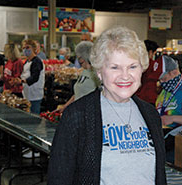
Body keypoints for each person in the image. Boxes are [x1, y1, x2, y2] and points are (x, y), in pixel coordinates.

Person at [48, 26, 167, 185]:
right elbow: (59, 177)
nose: (125, 76)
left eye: (132, 66)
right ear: (99, 72)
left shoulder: (150, 114)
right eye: (114, 67)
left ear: (142, 69)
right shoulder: (77, 115)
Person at [56, 41, 99, 113]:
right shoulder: (84, 71)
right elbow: (77, 93)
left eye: (80, 57)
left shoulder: (97, 74)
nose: (78, 60)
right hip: (78, 112)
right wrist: (65, 107)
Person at [15, 39, 45, 114]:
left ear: (34, 49)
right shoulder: (27, 62)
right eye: (23, 48)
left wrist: (21, 81)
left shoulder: (37, 62)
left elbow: (35, 77)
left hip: (34, 95)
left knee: (34, 117)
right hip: (27, 94)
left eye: (28, 47)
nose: (25, 50)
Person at [136, 40, 160, 105]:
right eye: (154, 53)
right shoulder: (154, 65)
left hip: (136, 98)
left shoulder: (135, 64)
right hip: (150, 99)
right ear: (150, 52)